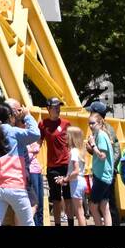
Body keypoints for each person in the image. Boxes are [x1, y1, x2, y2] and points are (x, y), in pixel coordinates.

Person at [0, 98, 40, 227]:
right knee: (28, 223)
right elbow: (35, 134)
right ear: (10, 116)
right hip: (16, 186)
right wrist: (27, 116)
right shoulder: (15, 132)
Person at [39, 97, 71, 226]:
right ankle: (57, 224)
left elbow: (72, 143)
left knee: (68, 197)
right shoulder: (42, 124)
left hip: (66, 165)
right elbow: (39, 142)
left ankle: (70, 223)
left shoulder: (66, 124)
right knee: (56, 198)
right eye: (55, 107)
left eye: (59, 107)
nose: (58, 109)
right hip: (52, 167)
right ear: (48, 109)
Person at [85, 111, 114, 226]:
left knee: (92, 206)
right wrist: (92, 148)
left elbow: (102, 156)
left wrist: (93, 145)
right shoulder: (99, 135)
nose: (91, 126)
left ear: (100, 123)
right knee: (104, 206)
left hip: (102, 177)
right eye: (89, 124)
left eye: (93, 123)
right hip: (103, 176)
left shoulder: (101, 135)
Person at [65, 126, 87, 226]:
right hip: (81, 181)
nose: (65, 137)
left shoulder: (73, 151)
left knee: (79, 212)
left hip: (76, 182)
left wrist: (65, 179)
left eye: (67, 135)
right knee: (80, 210)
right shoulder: (80, 150)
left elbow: (76, 171)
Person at [26, 140, 44, 226]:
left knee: (40, 201)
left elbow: (37, 148)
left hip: (38, 171)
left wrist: (32, 150)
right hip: (31, 172)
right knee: (34, 202)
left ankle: (40, 224)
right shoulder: (23, 140)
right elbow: (26, 157)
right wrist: (32, 150)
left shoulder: (31, 139)